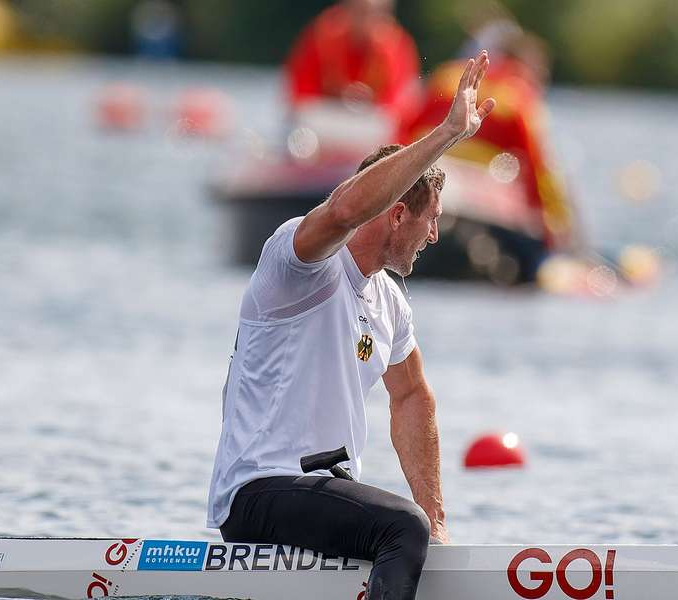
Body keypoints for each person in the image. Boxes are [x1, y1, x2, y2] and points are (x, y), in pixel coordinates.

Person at [207, 52, 496, 599]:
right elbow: (342, 212)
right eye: (432, 217)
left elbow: (412, 397)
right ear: (396, 213)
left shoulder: (390, 302)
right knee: (398, 527)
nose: (435, 235)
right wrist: (447, 134)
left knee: (411, 527)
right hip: (258, 494)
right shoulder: (299, 265)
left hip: (322, 495)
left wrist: (436, 525)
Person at [401, 32, 575, 251]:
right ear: (528, 67)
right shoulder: (520, 95)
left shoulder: (448, 75)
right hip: (480, 192)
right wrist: (552, 226)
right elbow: (537, 168)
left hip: (432, 175)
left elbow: (405, 131)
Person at [284, 0, 421, 126]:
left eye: (376, 14)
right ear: (347, 9)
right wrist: (338, 101)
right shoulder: (321, 40)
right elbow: (300, 93)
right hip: (327, 125)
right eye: (361, 12)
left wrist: (371, 104)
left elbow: (403, 102)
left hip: (374, 129)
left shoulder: (397, 47)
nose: (368, 20)